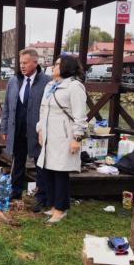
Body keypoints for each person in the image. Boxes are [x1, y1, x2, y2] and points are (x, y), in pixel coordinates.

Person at [36, 55, 87, 223]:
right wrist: (40, 129)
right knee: (48, 171)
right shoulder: (50, 85)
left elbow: (80, 115)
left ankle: (60, 209)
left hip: (64, 136)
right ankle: (52, 206)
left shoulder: (74, 87)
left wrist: (77, 138)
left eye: (57, 64)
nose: (53, 66)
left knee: (60, 173)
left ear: (66, 67)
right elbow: (43, 110)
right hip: (50, 136)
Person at [0, 48, 50, 212]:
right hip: (17, 129)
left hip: (37, 131)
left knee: (40, 164)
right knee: (17, 161)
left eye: (25, 63)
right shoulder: (13, 81)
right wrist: (4, 128)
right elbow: (6, 107)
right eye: (20, 63)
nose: (22, 66)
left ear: (35, 63)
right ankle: (15, 192)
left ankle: (41, 197)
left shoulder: (47, 82)